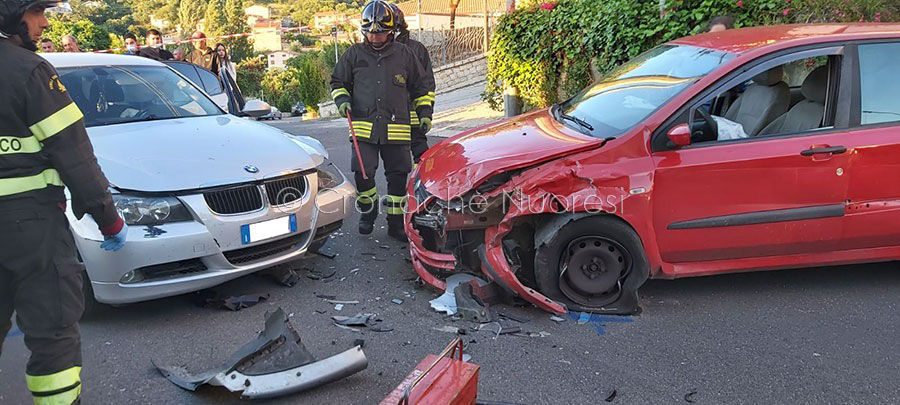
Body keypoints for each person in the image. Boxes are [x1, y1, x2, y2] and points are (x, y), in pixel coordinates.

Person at [0, 0, 128, 403]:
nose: (42, 22)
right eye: (36, 12)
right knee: (53, 334)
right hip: (29, 228)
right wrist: (109, 220)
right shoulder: (27, 71)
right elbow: (74, 155)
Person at [330, 0, 433, 242]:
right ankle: (368, 212)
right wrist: (342, 100)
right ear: (364, 30)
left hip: (397, 128)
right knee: (363, 174)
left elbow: (421, 86)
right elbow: (338, 82)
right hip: (363, 128)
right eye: (371, 33)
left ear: (391, 30)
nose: (375, 38)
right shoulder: (353, 55)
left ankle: (395, 223)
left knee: (398, 177)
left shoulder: (405, 55)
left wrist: (425, 113)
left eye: (381, 33)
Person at [388, 3, 435, 166]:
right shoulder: (379, 51)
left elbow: (428, 85)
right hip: (391, 121)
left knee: (421, 158)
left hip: (414, 117)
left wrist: (427, 114)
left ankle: (422, 189)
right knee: (396, 166)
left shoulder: (417, 49)